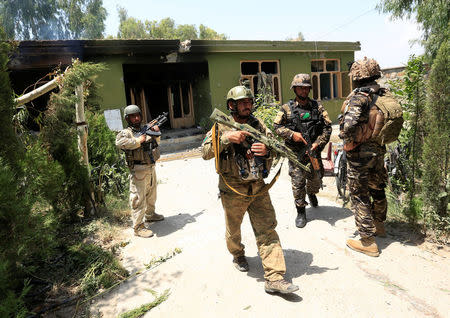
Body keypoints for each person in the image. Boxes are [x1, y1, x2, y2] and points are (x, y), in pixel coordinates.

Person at [202, 86, 299, 294]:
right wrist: (227, 139)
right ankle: (237, 254)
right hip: (233, 190)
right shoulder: (220, 125)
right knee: (233, 232)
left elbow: (274, 146)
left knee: (267, 229)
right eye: (242, 102)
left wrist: (267, 150)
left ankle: (274, 277)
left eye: (249, 102)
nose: (248, 105)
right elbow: (205, 152)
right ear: (232, 105)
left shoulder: (258, 124)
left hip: (257, 187)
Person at [339, 57, 389, 257]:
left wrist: (346, 139)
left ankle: (368, 241)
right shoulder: (383, 94)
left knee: (359, 194)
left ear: (356, 77)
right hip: (378, 150)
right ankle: (379, 226)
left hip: (359, 154)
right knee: (377, 187)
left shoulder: (359, 96)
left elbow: (349, 125)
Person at [273, 74, 332, 228]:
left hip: (313, 151)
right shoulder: (286, 109)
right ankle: (301, 211)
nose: (303, 90)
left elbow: (327, 127)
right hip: (295, 154)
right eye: (300, 87)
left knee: (317, 178)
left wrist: (318, 143)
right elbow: (277, 127)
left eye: (306, 88)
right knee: (298, 182)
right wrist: (293, 135)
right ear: (295, 89)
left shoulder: (317, 107)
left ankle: (311, 192)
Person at [115, 105, 164, 238]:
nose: (136, 118)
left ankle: (150, 215)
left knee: (151, 194)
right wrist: (138, 140)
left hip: (150, 167)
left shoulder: (145, 129)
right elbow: (119, 143)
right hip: (138, 170)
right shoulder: (126, 133)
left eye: (138, 115)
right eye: (133, 116)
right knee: (138, 198)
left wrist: (156, 132)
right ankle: (138, 226)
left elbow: (155, 143)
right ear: (127, 119)